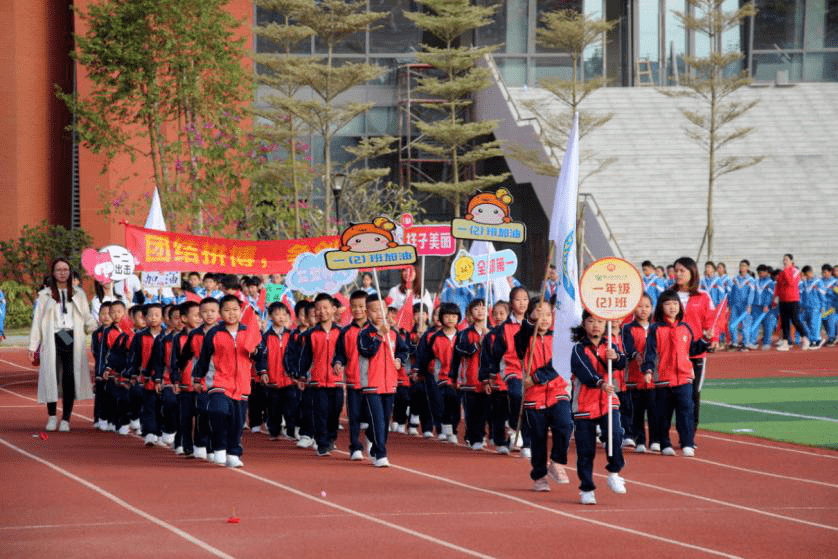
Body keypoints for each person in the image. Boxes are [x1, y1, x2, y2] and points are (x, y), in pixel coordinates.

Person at [28, 258, 98, 432]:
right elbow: (38, 321)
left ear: (70, 272)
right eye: (58, 270)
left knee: (69, 377)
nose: (62, 273)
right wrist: (33, 345)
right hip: (52, 338)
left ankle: (66, 418)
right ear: (53, 273)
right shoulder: (45, 295)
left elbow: (86, 315)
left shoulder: (78, 293)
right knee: (51, 377)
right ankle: (52, 416)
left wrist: (96, 328)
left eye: (65, 269)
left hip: (72, 338)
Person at [643, 290, 712, 457]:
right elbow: (650, 352)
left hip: (684, 378)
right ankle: (665, 443)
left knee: (686, 410)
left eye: (675, 303)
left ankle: (687, 442)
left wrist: (704, 341)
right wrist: (648, 370)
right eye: (668, 304)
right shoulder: (655, 329)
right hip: (663, 379)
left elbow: (692, 349)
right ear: (661, 307)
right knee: (663, 414)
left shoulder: (685, 327)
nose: (672, 307)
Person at [570, 310, 628, 505]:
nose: (596, 325)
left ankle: (614, 471)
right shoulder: (578, 349)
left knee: (615, 434)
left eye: (600, 322)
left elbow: (622, 363)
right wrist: (600, 383)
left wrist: (616, 357)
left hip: (608, 401)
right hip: (584, 404)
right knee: (586, 450)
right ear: (584, 324)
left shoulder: (610, 345)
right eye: (591, 321)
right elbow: (584, 371)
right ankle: (586, 488)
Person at [516, 299, 572, 492]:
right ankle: (539, 475)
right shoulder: (524, 338)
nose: (545, 319)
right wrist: (531, 320)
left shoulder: (558, 338)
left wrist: (537, 377)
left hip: (557, 390)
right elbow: (519, 343)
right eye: (540, 315)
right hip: (534, 395)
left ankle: (557, 461)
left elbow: (560, 363)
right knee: (538, 437)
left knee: (565, 425)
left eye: (548, 314)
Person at [193, 295, 255, 468]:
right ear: (221, 313)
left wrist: (258, 357)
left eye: (235, 310)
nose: (231, 313)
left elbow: (260, 355)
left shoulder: (248, 332)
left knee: (237, 423)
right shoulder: (214, 333)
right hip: (219, 382)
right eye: (227, 310)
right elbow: (204, 358)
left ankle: (233, 453)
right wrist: (198, 377)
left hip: (242, 385)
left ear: (240, 312)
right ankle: (219, 447)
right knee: (218, 411)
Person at [357, 294, 410, 467]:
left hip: (390, 383)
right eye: (374, 310)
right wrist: (379, 335)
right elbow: (367, 351)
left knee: (385, 421)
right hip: (372, 383)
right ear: (367, 312)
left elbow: (403, 350)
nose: (379, 314)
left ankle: (373, 441)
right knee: (378, 419)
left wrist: (400, 360)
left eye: (382, 310)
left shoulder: (393, 333)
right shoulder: (364, 334)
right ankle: (381, 453)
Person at [669, 257, 718, 428]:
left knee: (692, 396)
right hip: (671, 354)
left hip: (696, 354)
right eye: (676, 270)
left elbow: (710, 321)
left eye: (682, 271)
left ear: (692, 272)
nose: (678, 274)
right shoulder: (668, 295)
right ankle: (663, 436)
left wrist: (714, 339)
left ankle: (689, 435)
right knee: (668, 396)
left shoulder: (703, 296)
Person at [297, 293, 343, 457]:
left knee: (334, 414)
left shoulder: (341, 332)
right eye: (318, 309)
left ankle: (331, 438)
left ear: (334, 309)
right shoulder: (311, 334)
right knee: (320, 413)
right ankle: (322, 444)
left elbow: (345, 354)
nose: (322, 312)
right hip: (318, 381)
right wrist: (301, 375)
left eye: (325, 308)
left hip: (337, 381)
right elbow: (305, 357)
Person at [176, 297, 221, 461]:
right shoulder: (195, 334)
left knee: (218, 414)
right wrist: (178, 376)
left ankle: (215, 446)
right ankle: (201, 444)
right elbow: (185, 356)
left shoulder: (223, 332)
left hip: (221, 380)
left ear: (219, 313)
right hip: (201, 382)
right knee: (203, 413)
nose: (209, 315)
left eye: (213, 311)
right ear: (200, 314)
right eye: (205, 312)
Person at [491, 286, 532, 457]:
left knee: (530, 405)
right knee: (516, 395)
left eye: (525, 299)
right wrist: (490, 373)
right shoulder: (505, 327)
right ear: (511, 303)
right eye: (518, 299)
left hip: (531, 370)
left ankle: (526, 443)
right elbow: (497, 352)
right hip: (511, 368)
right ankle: (514, 426)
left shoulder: (534, 324)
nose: (522, 303)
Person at [332, 290, 370, 460]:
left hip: (372, 381)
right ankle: (355, 447)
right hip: (353, 380)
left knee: (372, 416)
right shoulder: (346, 331)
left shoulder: (376, 330)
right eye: (354, 306)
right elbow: (340, 353)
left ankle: (372, 441)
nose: (358, 310)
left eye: (361, 306)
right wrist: (338, 363)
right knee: (354, 416)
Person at [417, 302, 461, 444]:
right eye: (447, 316)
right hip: (442, 377)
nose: (450, 319)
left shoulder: (462, 336)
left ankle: (451, 427)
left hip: (459, 378)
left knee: (455, 405)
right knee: (444, 401)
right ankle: (446, 429)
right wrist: (421, 371)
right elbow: (427, 356)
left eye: (453, 316)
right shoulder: (436, 337)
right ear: (441, 318)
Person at [255, 302, 297, 441]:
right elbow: (261, 356)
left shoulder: (291, 336)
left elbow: (296, 356)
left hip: (289, 379)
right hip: (272, 379)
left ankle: (291, 431)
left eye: (284, 314)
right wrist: (263, 372)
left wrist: (296, 373)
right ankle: (274, 431)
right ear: (270, 316)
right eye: (277, 314)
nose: (281, 317)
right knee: (274, 408)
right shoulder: (265, 337)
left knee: (291, 407)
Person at [452, 298, 491, 450]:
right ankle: (474, 437)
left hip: (486, 380)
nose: (480, 311)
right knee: (471, 411)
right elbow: (460, 350)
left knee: (484, 410)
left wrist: (489, 340)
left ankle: (479, 435)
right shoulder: (464, 333)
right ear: (470, 313)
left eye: (483, 308)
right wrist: (476, 344)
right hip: (469, 378)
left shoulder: (492, 332)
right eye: (476, 308)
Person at [622, 294, 656, 453]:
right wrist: (635, 355)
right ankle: (639, 440)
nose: (643, 310)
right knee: (637, 411)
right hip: (634, 377)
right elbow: (627, 348)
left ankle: (655, 440)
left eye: (647, 306)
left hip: (654, 378)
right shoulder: (628, 328)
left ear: (652, 308)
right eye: (640, 306)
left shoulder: (656, 327)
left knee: (654, 411)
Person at [171, 300, 202, 457]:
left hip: (202, 385)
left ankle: (200, 445)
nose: (199, 318)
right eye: (196, 315)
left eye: (201, 315)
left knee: (202, 416)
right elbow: (174, 362)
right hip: (185, 385)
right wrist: (176, 380)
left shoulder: (207, 335)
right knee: (185, 417)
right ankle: (185, 444)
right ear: (184, 318)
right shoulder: (178, 338)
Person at [480, 300, 511, 453]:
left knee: (513, 413)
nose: (498, 317)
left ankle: (514, 438)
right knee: (498, 412)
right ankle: (500, 441)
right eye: (495, 314)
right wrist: (486, 379)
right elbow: (485, 359)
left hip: (513, 379)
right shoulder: (489, 336)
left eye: (502, 313)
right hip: (497, 381)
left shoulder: (516, 332)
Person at [773, 254, 810, 351]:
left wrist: (786, 270)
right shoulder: (782, 272)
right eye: (783, 259)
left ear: (791, 261)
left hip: (793, 299)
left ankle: (805, 338)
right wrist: (775, 297)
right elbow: (778, 285)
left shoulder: (795, 271)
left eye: (786, 259)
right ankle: (786, 342)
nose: (784, 261)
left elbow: (790, 282)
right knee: (784, 321)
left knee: (795, 320)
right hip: (783, 300)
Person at [91, 302, 113, 430]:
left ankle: (110, 419)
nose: (106, 316)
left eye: (109, 313)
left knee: (111, 395)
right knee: (100, 394)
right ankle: (97, 418)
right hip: (99, 370)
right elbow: (94, 351)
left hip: (112, 371)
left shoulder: (115, 332)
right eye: (103, 313)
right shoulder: (96, 333)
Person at [728, 260, 756, 350]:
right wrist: (730, 303)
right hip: (735, 304)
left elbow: (751, 293)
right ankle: (734, 341)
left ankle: (745, 343)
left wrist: (749, 304)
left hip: (745, 305)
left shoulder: (751, 280)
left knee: (745, 324)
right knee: (733, 323)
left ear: (747, 268)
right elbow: (731, 291)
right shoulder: (735, 279)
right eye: (741, 265)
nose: (742, 267)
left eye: (744, 266)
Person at [751, 265, 778, 350]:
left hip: (766, 307)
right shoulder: (755, 281)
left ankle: (766, 343)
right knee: (755, 324)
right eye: (759, 272)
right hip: (756, 306)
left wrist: (766, 305)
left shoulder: (770, 282)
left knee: (767, 325)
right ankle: (753, 342)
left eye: (762, 272)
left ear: (766, 272)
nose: (760, 274)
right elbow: (752, 293)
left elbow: (770, 295)